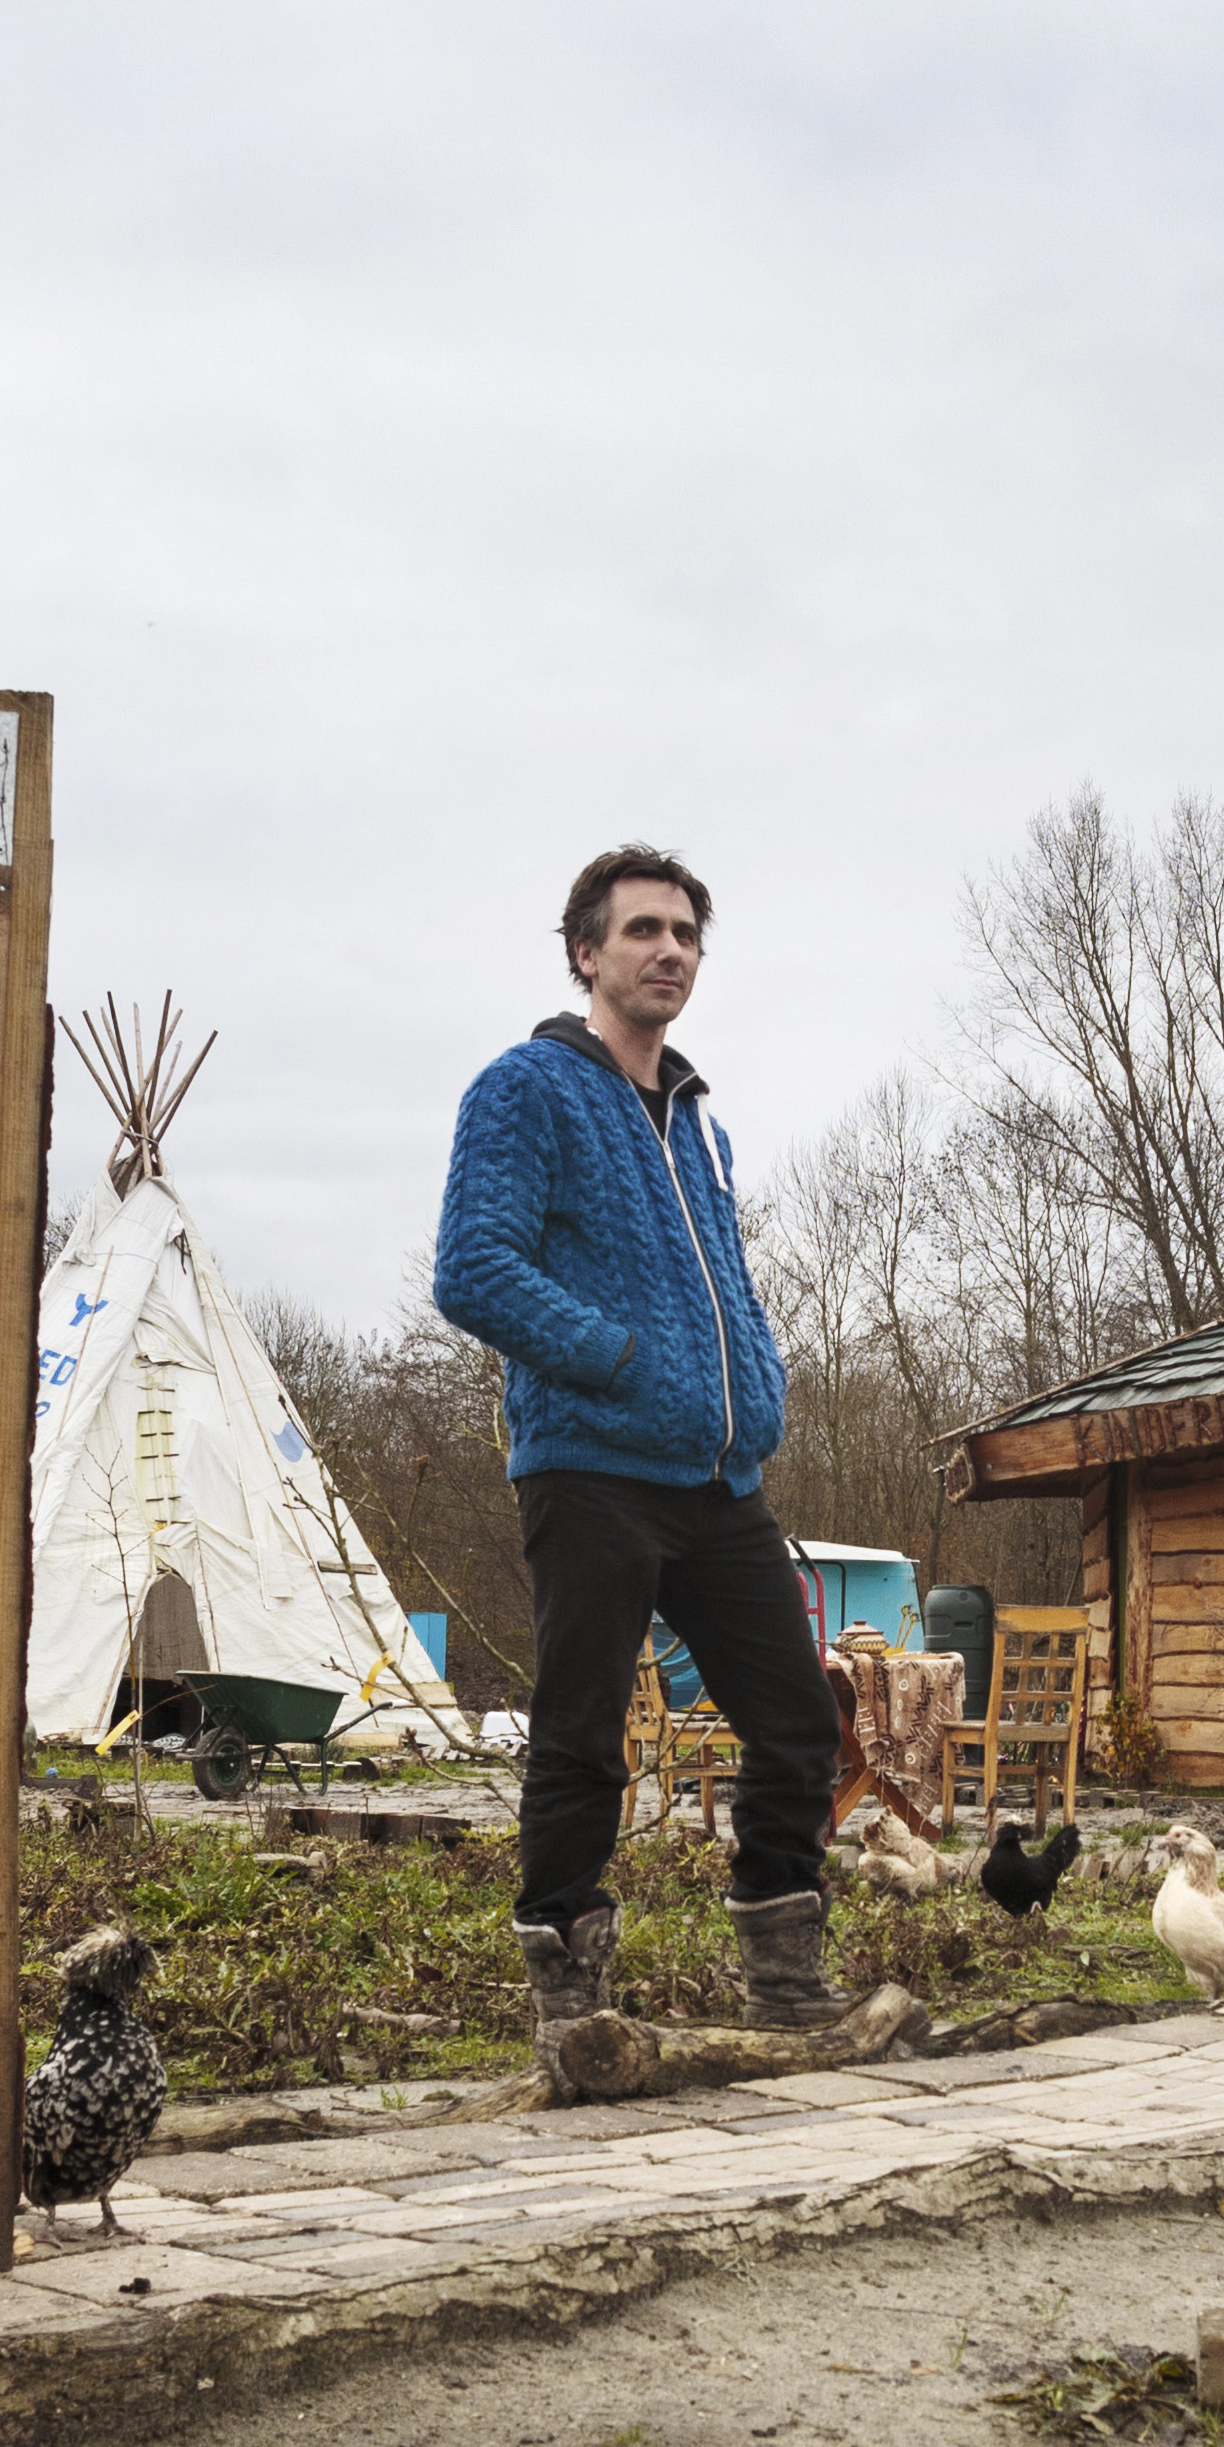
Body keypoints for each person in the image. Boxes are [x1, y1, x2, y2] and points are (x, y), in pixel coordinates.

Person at [430, 845, 851, 2039]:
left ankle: (783, 1979)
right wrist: (618, 1358)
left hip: (720, 1481)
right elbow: (474, 1271)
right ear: (586, 953)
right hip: (590, 1468)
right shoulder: (526, 1088)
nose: (669, 951)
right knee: (580, 1735)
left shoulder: (698, 1119)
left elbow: (726, 1282)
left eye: (686, 935)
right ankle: (571, 2002)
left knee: (799, 1723)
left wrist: (754, 1387)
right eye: (643, 932)